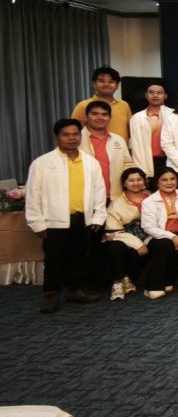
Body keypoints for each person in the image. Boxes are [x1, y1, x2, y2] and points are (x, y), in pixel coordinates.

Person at [25, 119, 106, 313]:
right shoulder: (42, 163)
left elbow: (99, 191)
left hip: (82, 218)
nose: (71, 138)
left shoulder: (90, 162)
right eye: (66, 134)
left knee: (79, 257)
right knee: (54, 259)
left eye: (75, 134)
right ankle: (51, 295)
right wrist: (37, 223)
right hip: (54, 220)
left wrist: (98, 217)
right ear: (57, 137)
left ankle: (76, 291)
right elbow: (33, 194)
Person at [139, 167, 178, 300]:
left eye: (172, 179)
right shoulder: (148, 201)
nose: (169, 183)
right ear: (157, 183)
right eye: (164, 180)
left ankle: (168, 281)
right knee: (165, 244)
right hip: (158, 237)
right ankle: (153, 287)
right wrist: (172, 236)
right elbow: (148, 227)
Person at [104, 166, 149, 301]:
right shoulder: (116, 203)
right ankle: (118, 282)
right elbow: (112, 231)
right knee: (116, 247)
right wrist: (138, 244)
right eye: (131, 180)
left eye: (139, 179)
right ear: (124, 184)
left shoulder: (152, 199)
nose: (136, 183)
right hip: (123, 238)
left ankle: (127, 277)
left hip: (148, 237)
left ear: (144, 181)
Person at [80, 99, 134, 199]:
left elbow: (127, 165)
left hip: (114, 197)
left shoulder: (118, 140)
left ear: (110, 118)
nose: (100, 117)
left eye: (104, 114)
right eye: (94, 114)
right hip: (86, 197)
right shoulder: (76, 140)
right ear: (86, 117)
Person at [128, 80, 175, 188]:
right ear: (146, 95)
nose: (155, 95)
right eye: (151, 92)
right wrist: (140, 171)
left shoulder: (175, 114)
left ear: (165, 96)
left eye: (159, 92)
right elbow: (136, 147)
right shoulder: (137, 118)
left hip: (170, 160)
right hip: (148, 161)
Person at [71, 66, 132, 141]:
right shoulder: (83, 105)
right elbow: (73, 130)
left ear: (117, 86)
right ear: (94, 84)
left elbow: (130, 131)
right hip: (91, 147)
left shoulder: (124, 105)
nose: (106, 84)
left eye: (111, 82)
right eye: (101, 81)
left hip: (120, 147)